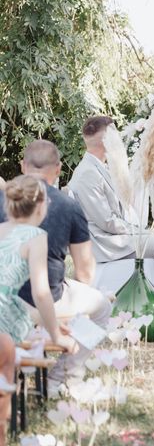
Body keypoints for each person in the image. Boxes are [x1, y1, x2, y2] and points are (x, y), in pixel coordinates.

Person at [68, 116, 154, 333]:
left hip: (117, 235)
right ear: (106, 141)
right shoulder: (87, 174)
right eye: (115, 136)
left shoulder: (98, 167)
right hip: (109, 243)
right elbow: (108, 223)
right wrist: (139, 230)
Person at [0, 140, 111, 393]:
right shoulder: (68, 205)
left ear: (22, 166)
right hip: (45, 300)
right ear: (59, 169)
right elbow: (84, 271)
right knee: (102, 307)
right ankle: (60, 378)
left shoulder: (3, 198)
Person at [0, 175, 77, 445]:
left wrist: (48, 323)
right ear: (42, 205)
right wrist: (55, 335)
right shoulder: (36, 236)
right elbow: (41, 293)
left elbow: (5, 293)